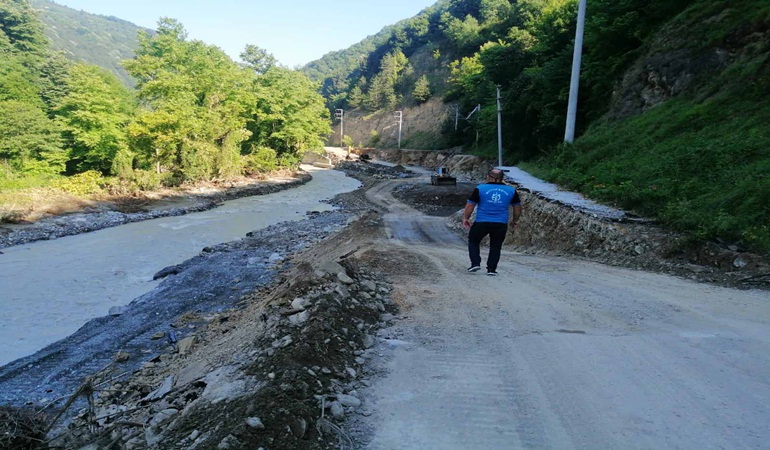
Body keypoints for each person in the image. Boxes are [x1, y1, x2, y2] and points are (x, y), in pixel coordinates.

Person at [462, 168, 522, 276]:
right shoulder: (511, 190)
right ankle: (491, 269)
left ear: (488, 177)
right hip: (500, 223)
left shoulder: (480, 188)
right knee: (496, 245)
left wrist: (466, 218)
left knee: (474, 241)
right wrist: (515, 220)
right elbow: (517, 207)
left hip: (481, 222)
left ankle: (475, 263)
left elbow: (470, 204)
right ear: (502, 178)